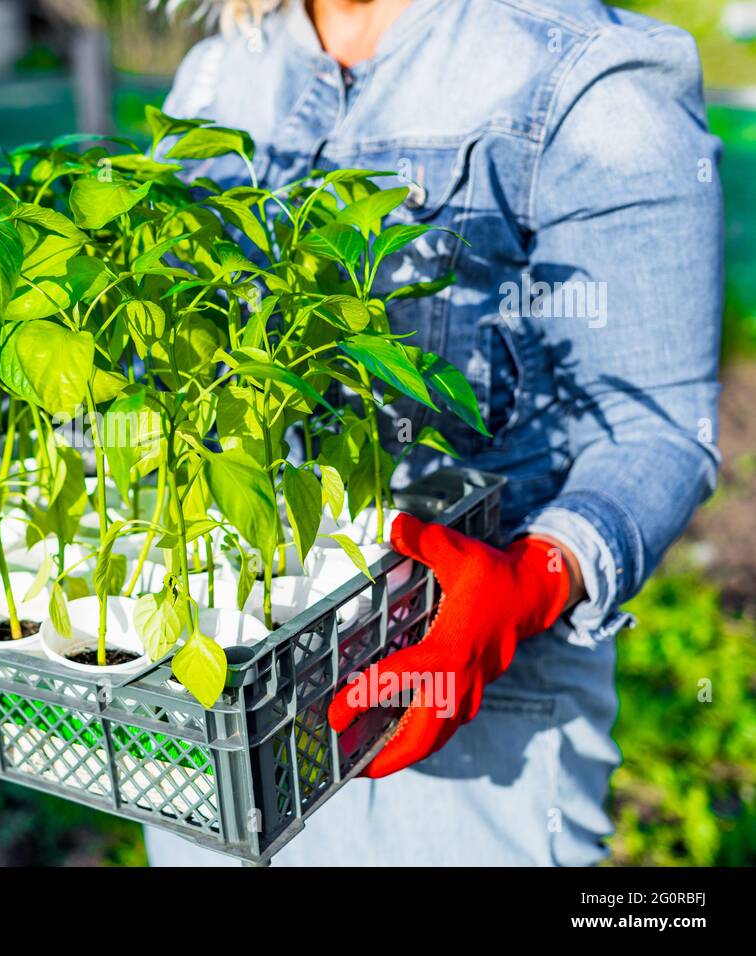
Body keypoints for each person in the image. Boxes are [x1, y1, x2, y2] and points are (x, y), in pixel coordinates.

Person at [144, 0, 723, 866]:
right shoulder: (222, 73)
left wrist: (531, 579)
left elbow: (658, 426)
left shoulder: (585, 72)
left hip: (479, 721)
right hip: (227, 692)